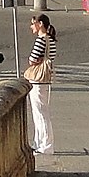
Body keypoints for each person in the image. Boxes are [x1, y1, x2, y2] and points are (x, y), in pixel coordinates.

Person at [23, 14, 58, 154]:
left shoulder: (41, 40)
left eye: (33, 23)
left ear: (40, 24)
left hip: (38, 80)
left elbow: (32, 59)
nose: (32, 26)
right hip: (45, 79)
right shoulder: (51, 39)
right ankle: (39, 143)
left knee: (40, 113)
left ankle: (45, 145)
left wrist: (35, 60)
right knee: (41, 112)